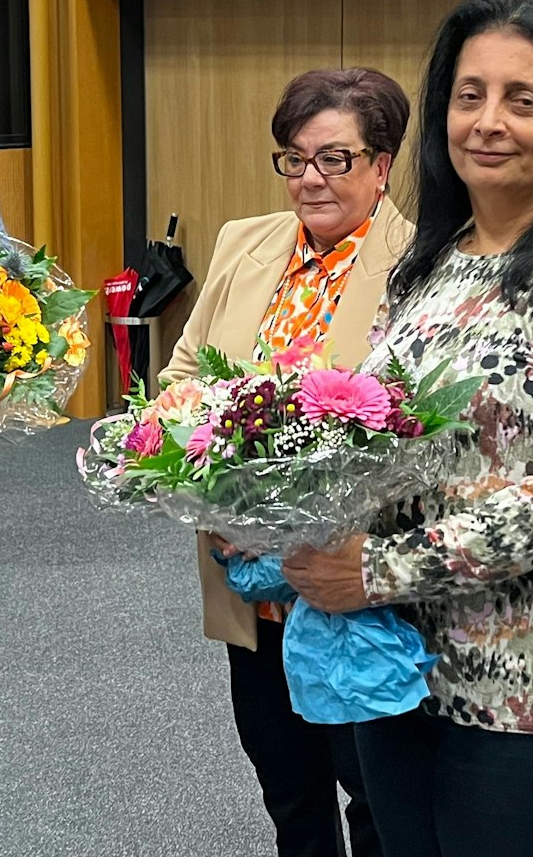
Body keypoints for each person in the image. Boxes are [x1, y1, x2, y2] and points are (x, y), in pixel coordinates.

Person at [283, 0, 533, 857]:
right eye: (469, 95)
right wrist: (280, 507)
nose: (488, 121)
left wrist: (380, 568)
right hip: (406, 673)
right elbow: (381, 438)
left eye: (522, 99)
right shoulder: (432, 261)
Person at [157, 67, 414, 857]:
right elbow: (183, 379)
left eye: (335, 158)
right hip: (249, 576)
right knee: (288, 786)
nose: (310, 178)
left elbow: (423, 429)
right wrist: (223, 504)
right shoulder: (245, 242)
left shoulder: (427, 264)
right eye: (295, 158)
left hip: (354, 585)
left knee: (375, 793)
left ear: (382, 163)